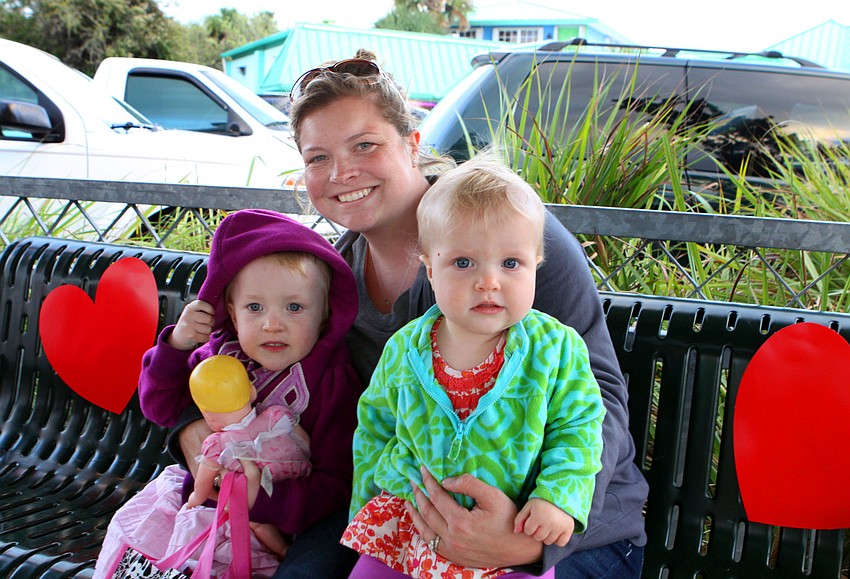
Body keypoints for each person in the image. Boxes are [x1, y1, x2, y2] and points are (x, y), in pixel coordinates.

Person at [287, 49, 649, 578]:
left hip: (567, 528)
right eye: (318, 157)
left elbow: (596, 398)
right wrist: (195, 423)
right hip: (412, 516)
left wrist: (532, 537)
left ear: (412, 145)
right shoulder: (336, 270)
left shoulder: (511, 242)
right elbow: (319, 389)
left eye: (364, 145)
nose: (341, 172)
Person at [340, 152, 607, 578]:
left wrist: (558, 498)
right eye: (463, 263)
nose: (488, 281)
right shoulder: (405, 348)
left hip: (510, 530)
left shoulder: (556, 349)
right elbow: (374, 426)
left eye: (511, 263)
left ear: (537, 265)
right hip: (407, 522)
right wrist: (366, 502)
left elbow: (579, 428)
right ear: (430, 268)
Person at [94, 209, 362, 577]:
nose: (272, 323)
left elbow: (338, 484)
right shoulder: (217, 357)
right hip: (199, 511)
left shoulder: (332, 381)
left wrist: (261, 502)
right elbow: (159, 406)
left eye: (295, 307)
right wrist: (176, 346)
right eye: (255, 307)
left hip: (284, 523)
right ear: (232, 315)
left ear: (326, 315)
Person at [185, 354, 313, 557]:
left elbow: (204, 482)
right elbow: (304, 442)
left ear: (207, 414)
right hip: (297, 473)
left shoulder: (217, 444)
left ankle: (282, 549)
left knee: (253, 520)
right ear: (252, 392)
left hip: (260, 487)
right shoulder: (276, 414)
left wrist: (195, 498)